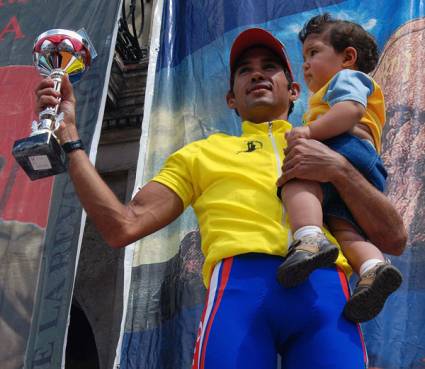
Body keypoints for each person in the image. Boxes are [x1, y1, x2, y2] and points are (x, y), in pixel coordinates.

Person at [35, 27, 407, 369]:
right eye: (245, 70)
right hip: (240, 294)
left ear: (294, 90)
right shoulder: (199, 154)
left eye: (270, 67)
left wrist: (338, 169)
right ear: (231, 98)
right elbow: (122, 226)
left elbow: (393, 238)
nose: (257, 74)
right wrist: (70, 138)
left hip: (327, 296)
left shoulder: (333, 143)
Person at [275, 14, 403, 323]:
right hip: (363, 162)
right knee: (346, 229)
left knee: (296, 180)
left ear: (347, 57)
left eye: (314, 53)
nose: (305, 64)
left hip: (346, 146)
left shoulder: (346, 79)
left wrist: (309, 132)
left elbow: (350, 111)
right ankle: (373, 270)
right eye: (304, 57)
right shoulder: (336, 85)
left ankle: (308, 237)